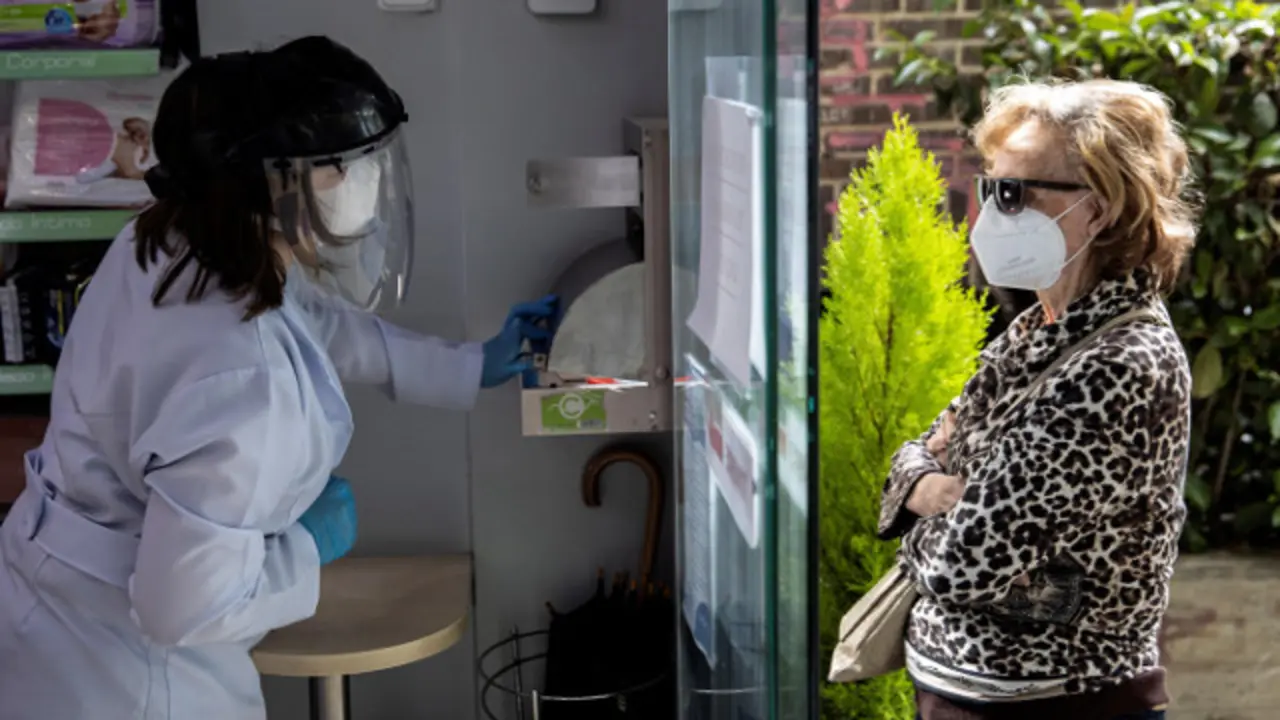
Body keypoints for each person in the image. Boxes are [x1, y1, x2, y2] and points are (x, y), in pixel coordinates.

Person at [0, 37, 555, 720]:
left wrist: (469, 367)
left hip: (49, 615)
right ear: (271, 181)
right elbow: (181, 610)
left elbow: (317, 323)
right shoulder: (240, 378)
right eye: (339, 168)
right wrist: (305, 548)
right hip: (138, 681)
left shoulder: (173, 242)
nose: (364, 183)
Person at [878, 79, 1196, 720]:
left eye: (1013, 193)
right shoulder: (1041, 329)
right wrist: (923, 484)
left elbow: (962, 568)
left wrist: (926, 506)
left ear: (1100, 209)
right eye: (988, 187)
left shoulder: (1117, 366)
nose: (989, 213)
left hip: (1057, 704)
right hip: (972, 695)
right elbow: (916, 456)